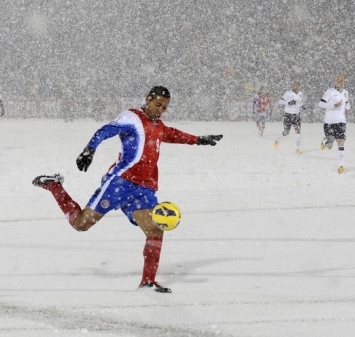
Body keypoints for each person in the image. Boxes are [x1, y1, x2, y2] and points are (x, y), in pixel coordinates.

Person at [32, 86, 223, 293]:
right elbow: (105, 130)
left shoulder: (158, 125)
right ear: (148, 99)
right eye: (158, 104)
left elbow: (171, 134)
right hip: (119, 183)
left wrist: (199, 140)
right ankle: (53, 185)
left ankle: (148, 282)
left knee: (155, 229)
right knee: (81, 224)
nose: (160, 110)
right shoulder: (132, 117)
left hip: (144, 189)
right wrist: (89, 150)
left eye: (165, 107)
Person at [319, 73, 350, 173]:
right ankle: (325, 141)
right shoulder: (330, 91)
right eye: (338, 80)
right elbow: (321, 104)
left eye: (342, 80)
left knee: (341, 142)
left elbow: (346, 104)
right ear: (335, 81)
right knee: (330, 145)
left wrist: (348, 108)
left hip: (341, 121)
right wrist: (333, 105)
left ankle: (341, 166)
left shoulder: (345, 92)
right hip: (330, 121)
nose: (340, 82)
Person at [273, 81, 305, 154]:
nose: (296, 87)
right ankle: (277, 140)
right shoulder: (288, 93)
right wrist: (288, 103)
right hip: (288, 114)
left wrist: (302, 106)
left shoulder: (300, 94)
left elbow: (300, 102)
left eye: (298, 85)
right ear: (292, 86)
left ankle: (297, 149)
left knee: (298, 131)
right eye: (295, 85)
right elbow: (280, 101)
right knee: (286, 132)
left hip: (296, 115)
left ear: (300, 86)